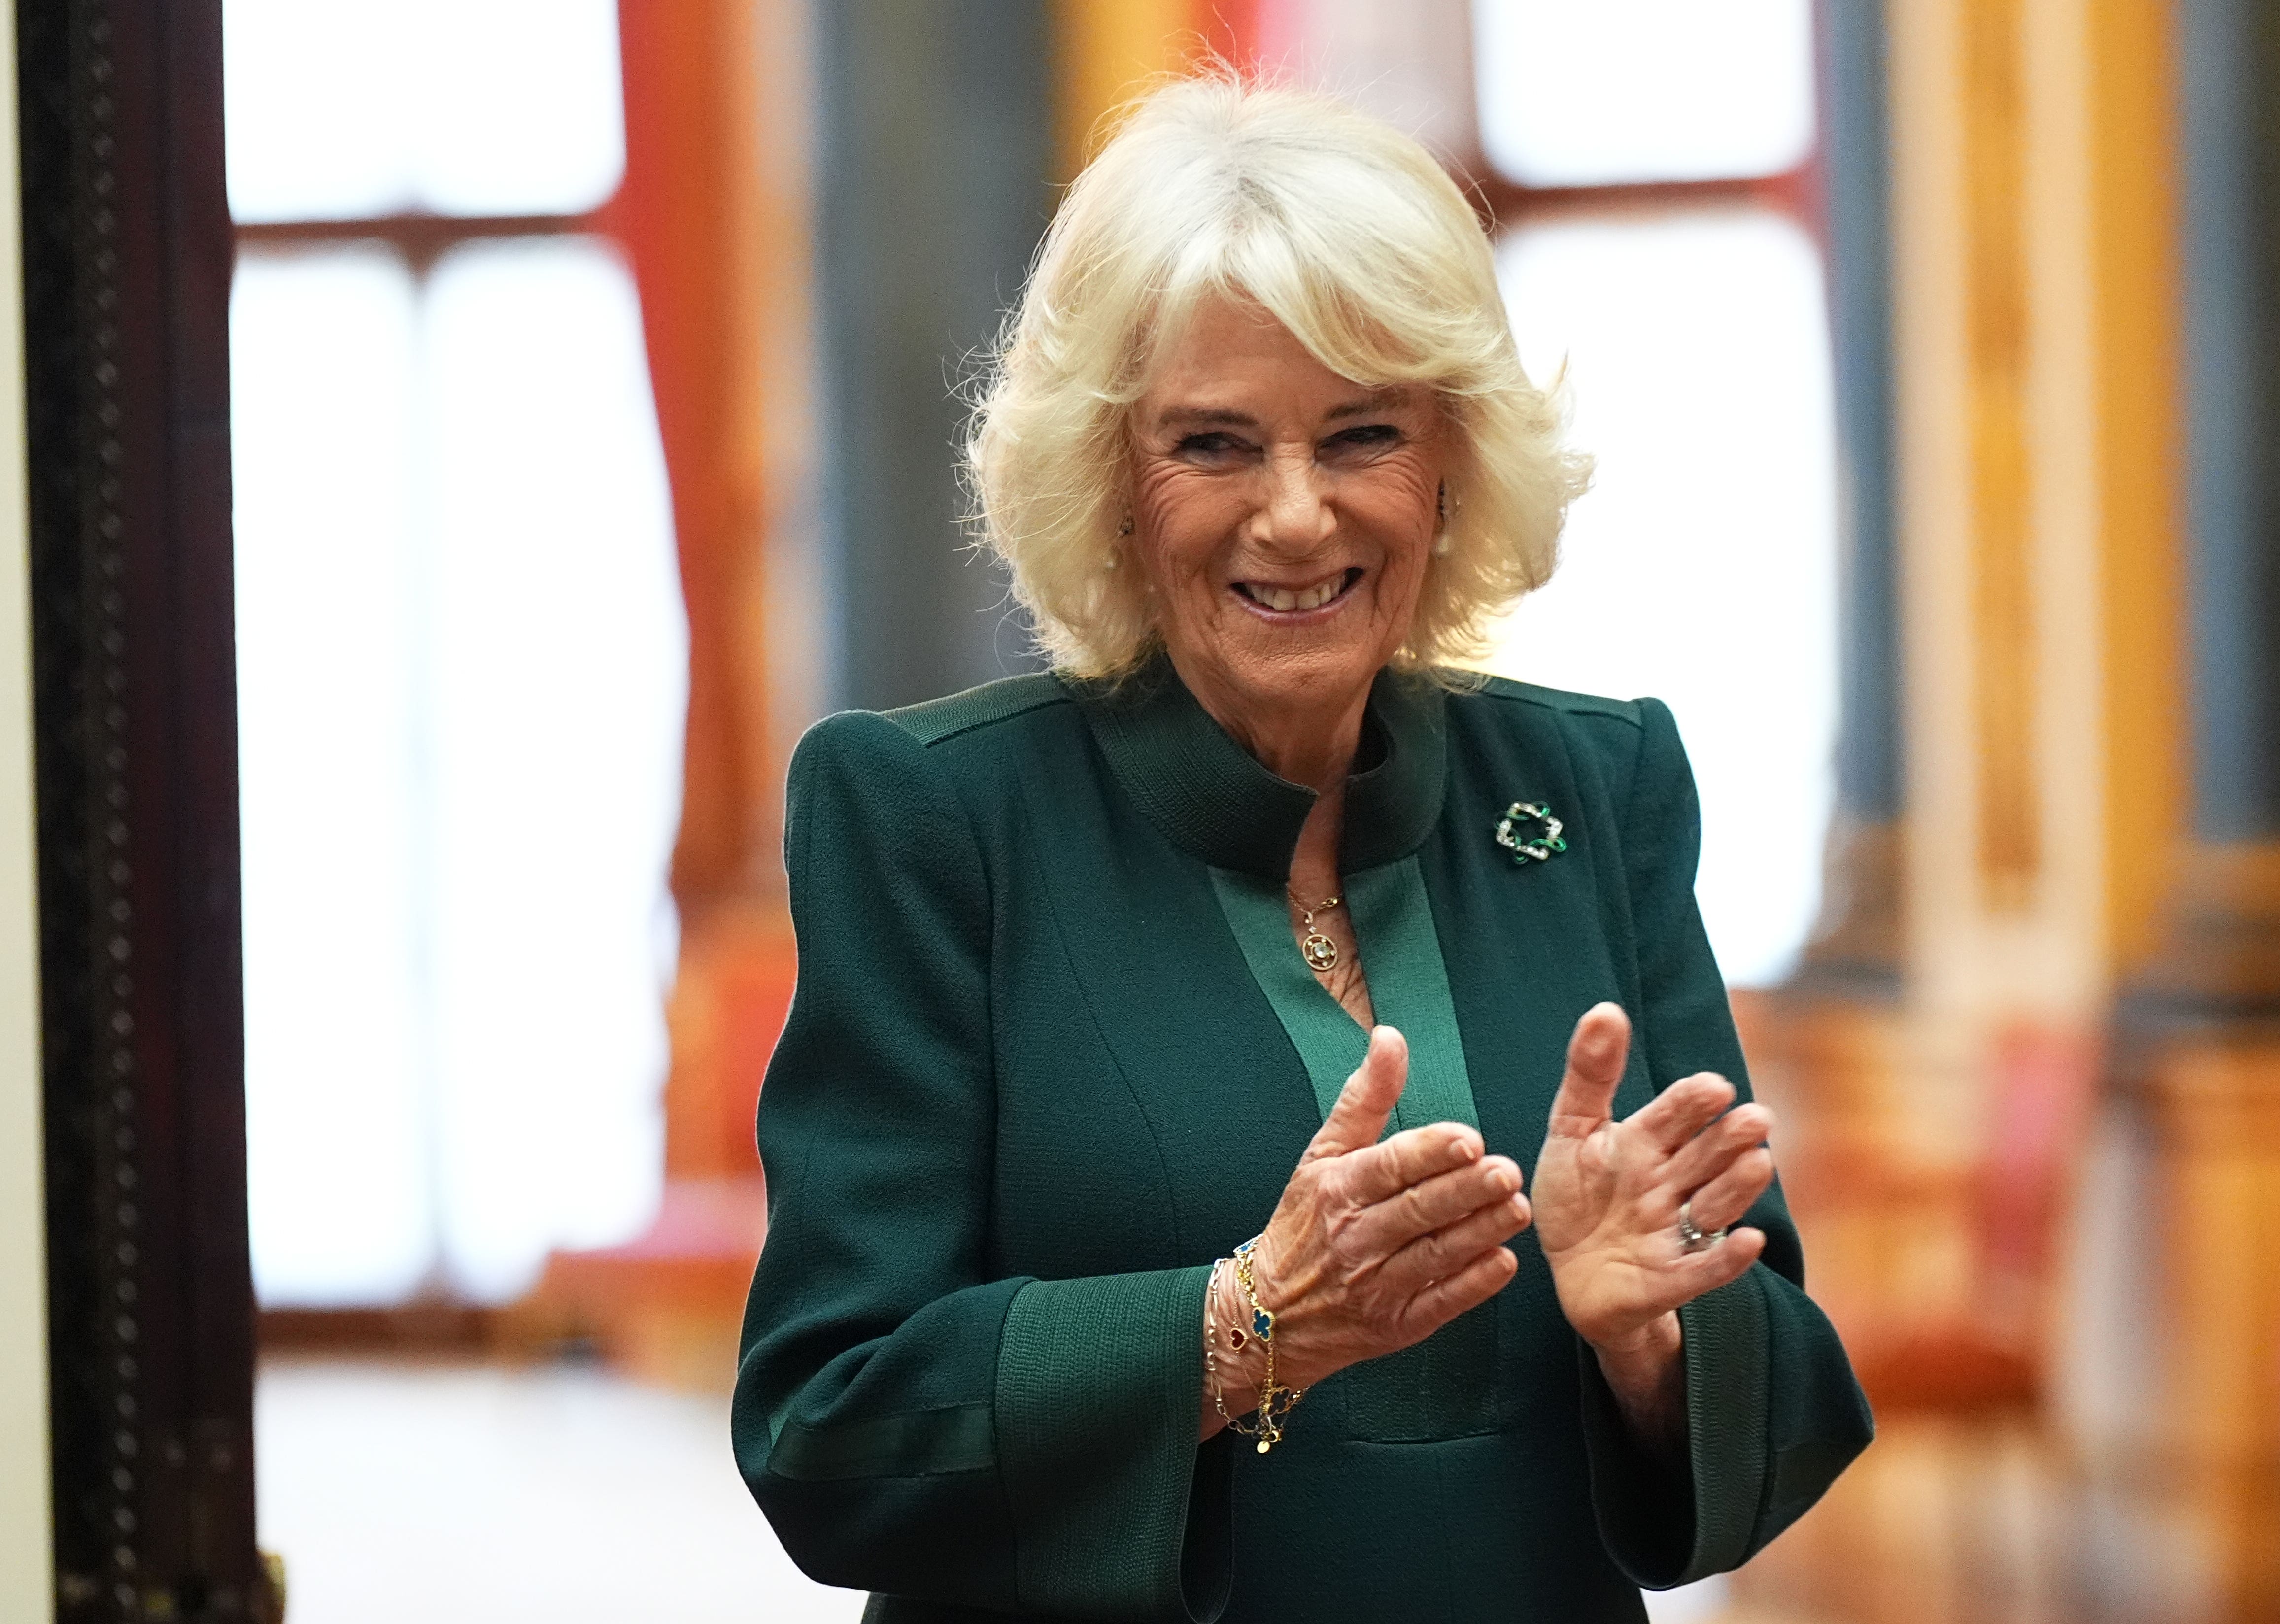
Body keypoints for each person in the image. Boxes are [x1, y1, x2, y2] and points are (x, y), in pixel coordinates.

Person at [734, 72, 1872, 1624]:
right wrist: (1245, 1322)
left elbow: (1790, 1377)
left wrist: (1648, 1339)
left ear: (1452, 464)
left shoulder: (1598, 783)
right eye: (1213, 444)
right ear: (1114, 486)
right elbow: (829, 1424)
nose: (1295, 516)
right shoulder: (932, 818)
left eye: (1360, 436)